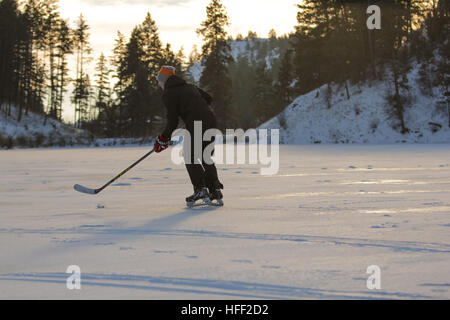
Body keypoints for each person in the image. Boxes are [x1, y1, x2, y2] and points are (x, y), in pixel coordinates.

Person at [153, 66, 224, 205]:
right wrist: (194, 112)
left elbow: (172, 121)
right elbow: (209, 99)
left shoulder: (169, 93)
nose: (158, 84)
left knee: (189, 156)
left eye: (159, 80)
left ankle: (200, 189)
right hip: (210, 120)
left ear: (164, 80)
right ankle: (214, 189)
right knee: (205, 156)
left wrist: (163, 138)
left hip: (197, 124)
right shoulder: (190, 87)